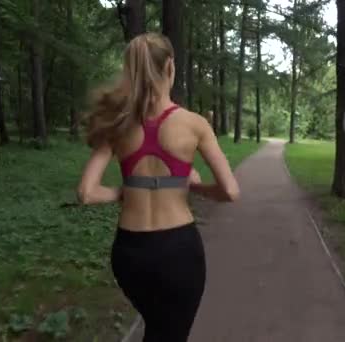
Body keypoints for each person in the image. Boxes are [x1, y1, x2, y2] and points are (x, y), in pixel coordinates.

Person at [76, 33, 240, 342]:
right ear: (170, 68)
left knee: (159, 329)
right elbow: (230, 191)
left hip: (129, 254)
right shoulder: (194, 124)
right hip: (179, 252)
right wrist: (194, 185)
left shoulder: (118, 123)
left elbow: (86, 192)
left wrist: (121, 192)